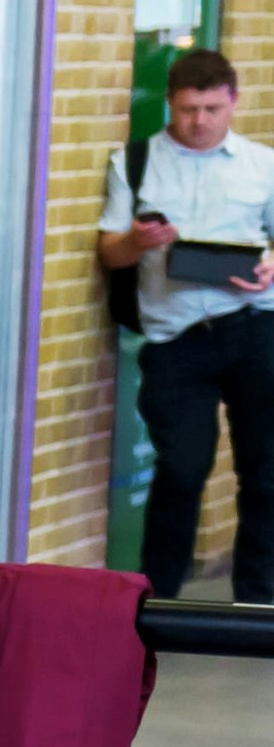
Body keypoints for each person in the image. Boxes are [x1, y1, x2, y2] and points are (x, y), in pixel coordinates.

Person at [98, 47, 274, 604]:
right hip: (175, 338)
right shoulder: (135, 161)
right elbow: (110, 253)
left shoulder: (262, 164)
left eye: (211, 110)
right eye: (187, 109)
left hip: (253, 327)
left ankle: (258, 600)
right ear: (170, 103)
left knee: (266, 471)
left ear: (233, 103)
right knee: (181, 467)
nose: (199, 122)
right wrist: (137, 242)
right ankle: (159, 601)